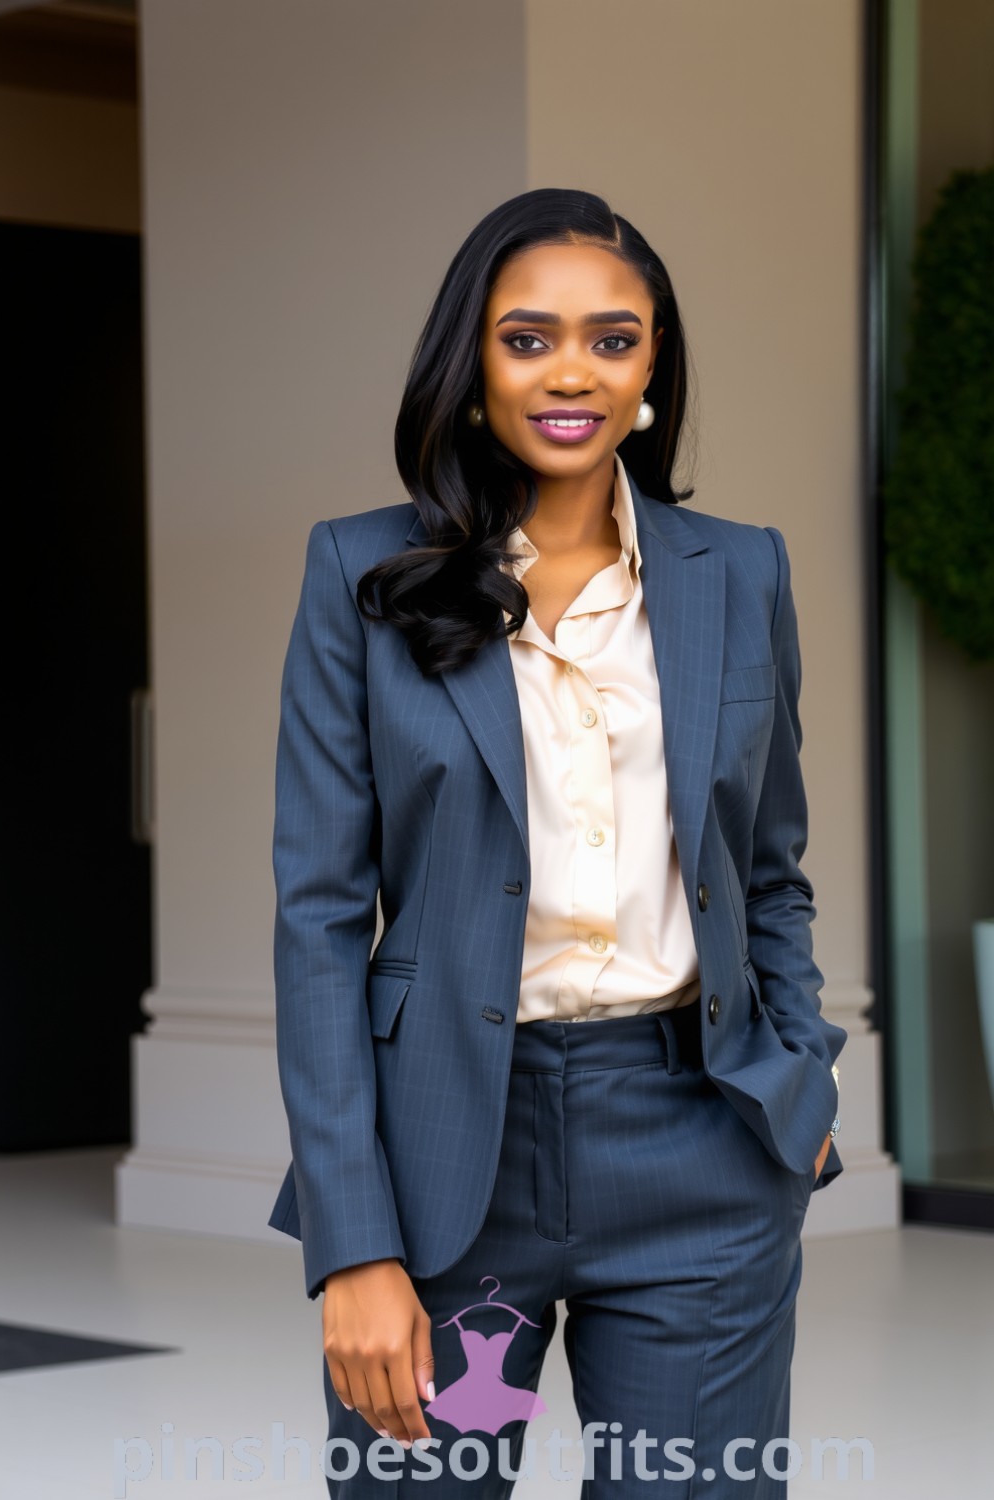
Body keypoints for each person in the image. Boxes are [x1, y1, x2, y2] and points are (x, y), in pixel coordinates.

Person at [267, 187, 847, 1497]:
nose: (572, 371)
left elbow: (769, 868)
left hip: (700, 1139)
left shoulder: (739, 573)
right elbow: (316, 917)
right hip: (439, 1160)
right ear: (471, 368)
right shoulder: (362, 576)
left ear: (653, 368)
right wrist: (353, 1244)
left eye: (613, 338)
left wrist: (801, 1076)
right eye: (527, 338)